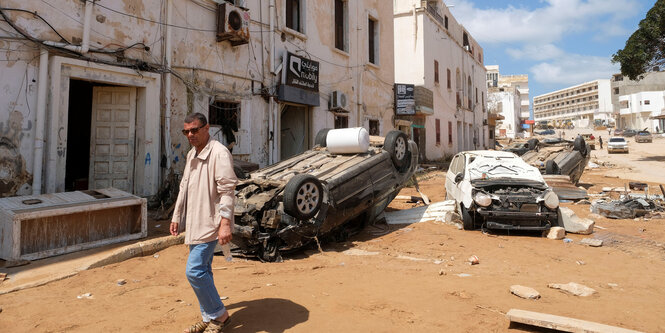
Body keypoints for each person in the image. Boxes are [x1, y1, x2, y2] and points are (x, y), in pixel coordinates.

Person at [171, 112, 238, 333]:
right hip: (194, 222)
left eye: (194, 130)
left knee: (195, 271)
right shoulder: (192, 154)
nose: (190, 134)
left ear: (206, 128)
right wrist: (177, 216)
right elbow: (184, 186)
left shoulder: (219, 153)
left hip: (212, 222)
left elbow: (227, 191)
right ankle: (208, 316)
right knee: (204, 270)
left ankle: (219, 315)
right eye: (186, 131)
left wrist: (225, 223)